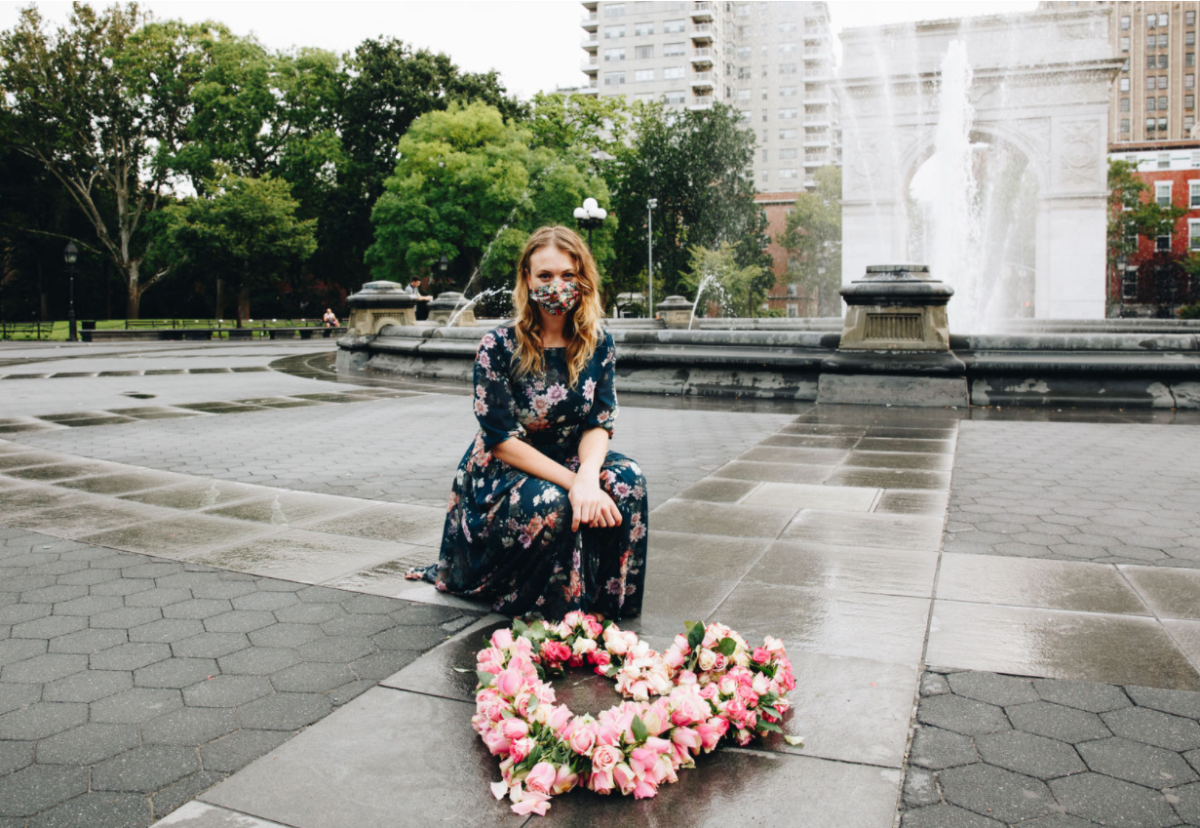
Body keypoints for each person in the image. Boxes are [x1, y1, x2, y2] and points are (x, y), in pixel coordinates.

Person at [406, 226, 647, 620]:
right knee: (554, 501)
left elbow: (598, 424)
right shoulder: (498, 346)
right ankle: (552, 615)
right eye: (546, 276)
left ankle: (606, 607)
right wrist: (577, 484)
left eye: (568, 275)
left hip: (570, 458)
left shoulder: (598, 343)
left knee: (627, 479)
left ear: (583, 279)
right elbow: (500, 439)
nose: (557, 286)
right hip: (504, 472)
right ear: (527, 280)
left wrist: (587, 475)